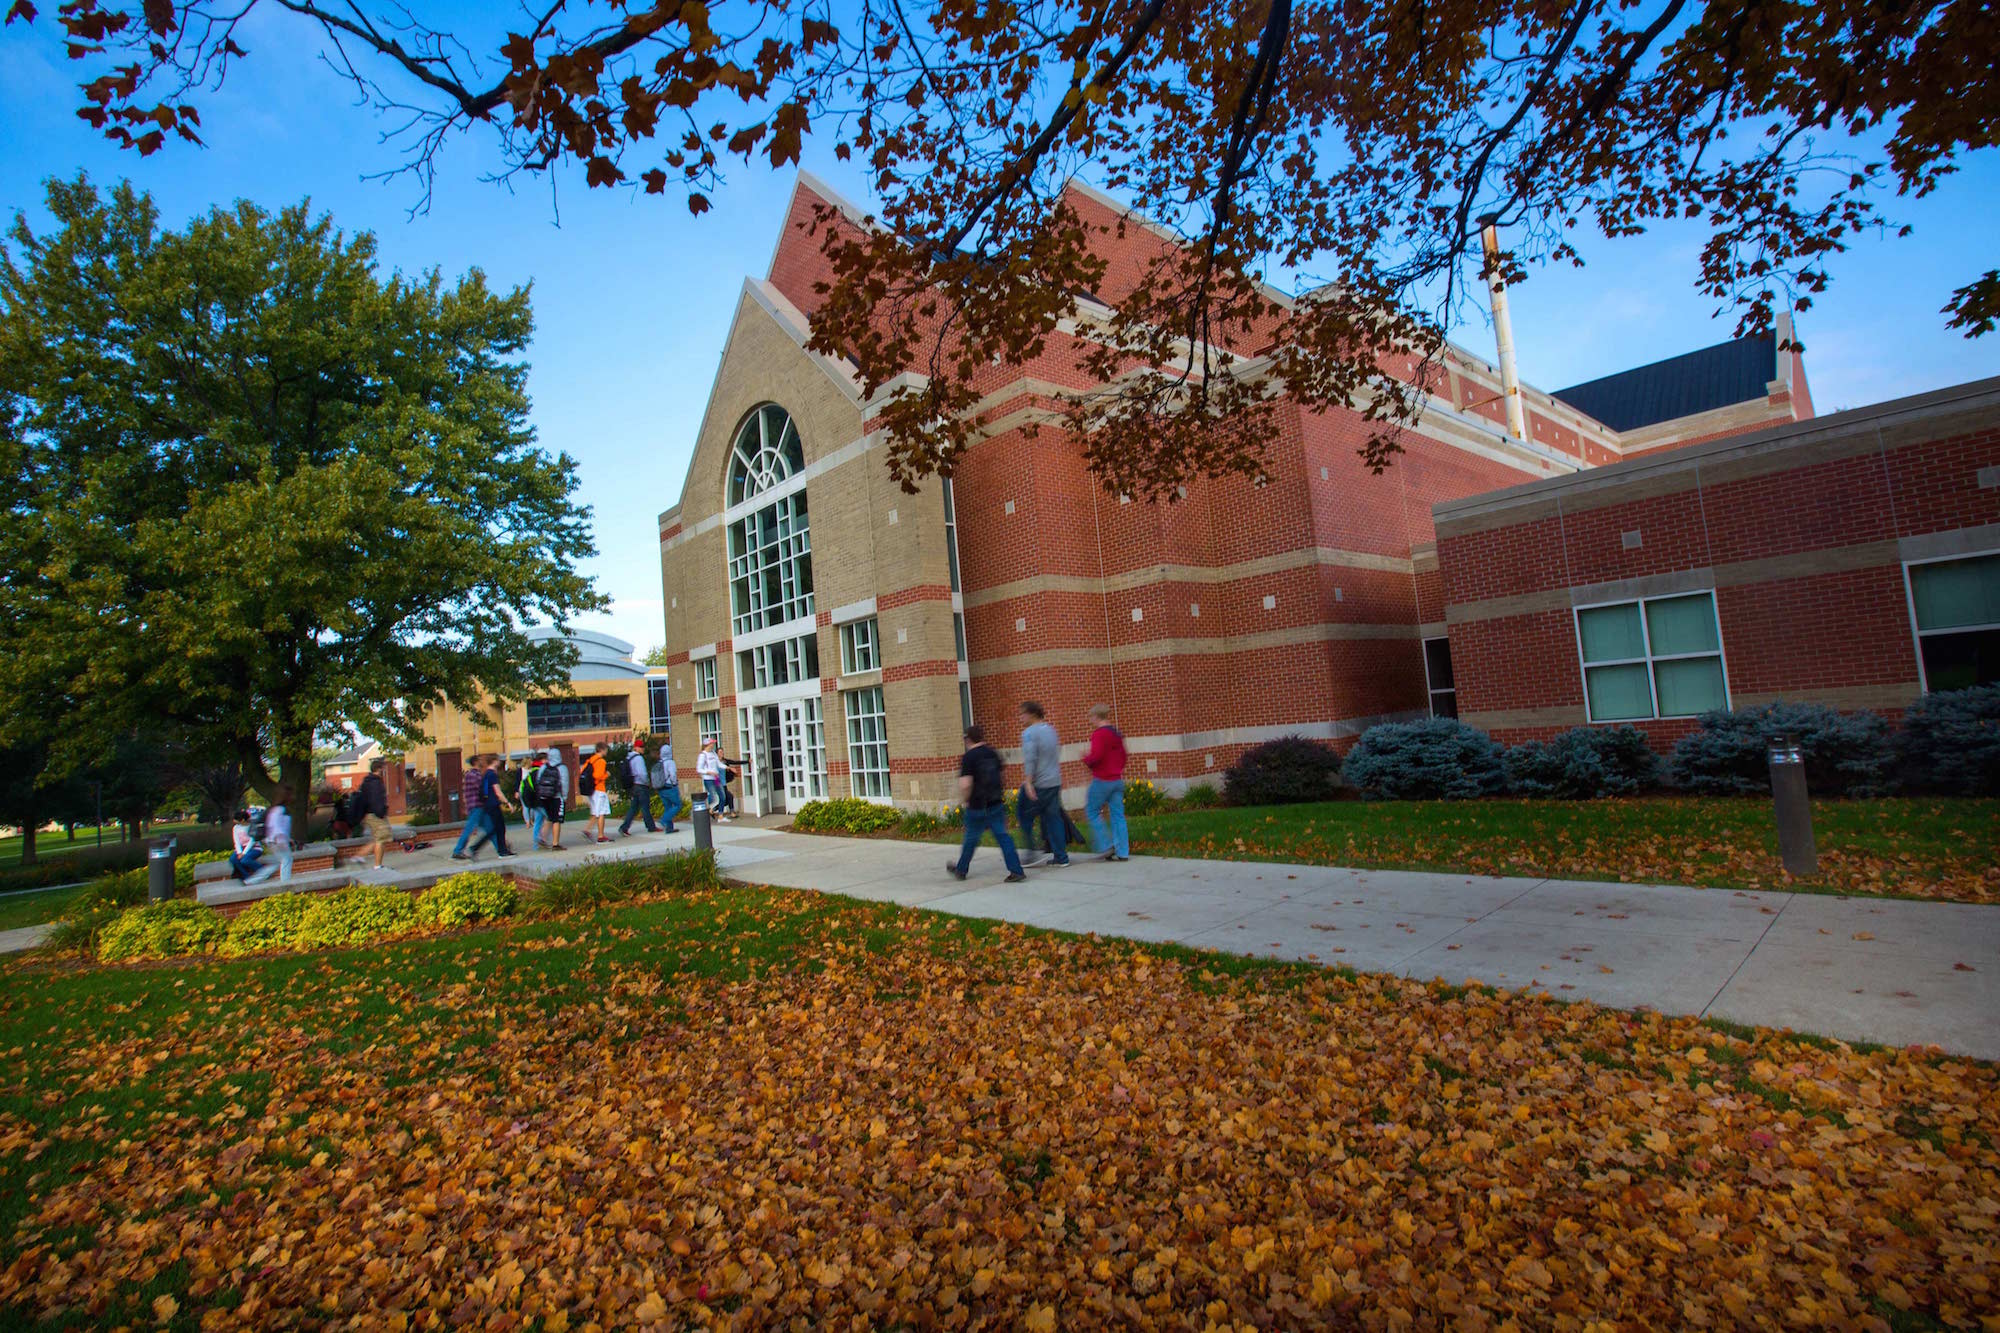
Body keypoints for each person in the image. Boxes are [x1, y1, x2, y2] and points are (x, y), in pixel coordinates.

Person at [946, 726, 1026, 882]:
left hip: (977, 805)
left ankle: (961, 870)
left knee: (971, 838)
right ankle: (1016, 870)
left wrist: (966, 800)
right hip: (995, 803)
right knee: (1003, 837)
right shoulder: (992, 753)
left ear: (968, 739)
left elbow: (966, 784)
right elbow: (1002, 776)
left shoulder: (969, 757)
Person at [1016, 700, 1069, 867]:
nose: (1021, 718)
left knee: (1023, 815)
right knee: (1054, 818)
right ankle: (1061, 857)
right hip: (1054, 781)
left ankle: (1031, 853)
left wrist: (1029, 782)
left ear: (1032, 714)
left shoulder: (1029, 733)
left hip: (1039, 784)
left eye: (1022, 714)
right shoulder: (1051, 730)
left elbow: (1031, 758)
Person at [1082, 703, 1131, 862]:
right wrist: (1116, 768)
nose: (1090, 720)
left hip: (1102, 780)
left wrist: (1085, 758)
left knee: (1092, 810)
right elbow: (1124, 755)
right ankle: (1122, 851)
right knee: (1118, 815)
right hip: (1117, 779)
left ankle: (1106, 845)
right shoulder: (1116, 733)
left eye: (1091, 717)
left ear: (1096, 717)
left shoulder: (1099, 734)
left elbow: (1096, 756)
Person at [464, 755, 517, 859]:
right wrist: (508, 803)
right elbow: (497, 791)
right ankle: (501, 852)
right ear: (494, 761)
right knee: (499, 828)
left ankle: (500, 850)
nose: (499, 762)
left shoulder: (486, 774)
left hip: (488, 804)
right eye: (497, 760)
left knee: (495, 829)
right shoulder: (492, 774)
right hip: (493, 804)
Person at [249, 784, 296, 884]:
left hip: (272, 840)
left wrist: (288, 839)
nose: (293, 797)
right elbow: (276, 826)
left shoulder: (275, 809)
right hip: (277, 840)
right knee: (286, 860)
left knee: (277, 862)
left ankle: (252, 881)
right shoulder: (280, 810)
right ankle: (285, 884)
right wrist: (281, 840)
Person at [449, 757, 489, 859]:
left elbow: (465, 792)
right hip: (477, 805)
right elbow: (483, 789)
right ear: (475, 762)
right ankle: (458, 850)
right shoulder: (475, 775)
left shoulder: (469, 775)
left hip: (475, 805)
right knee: (470, 828)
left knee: (490, 828)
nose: (482, 762)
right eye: (480, 760)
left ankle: (502, 848)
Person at [357, 760, 392, 869]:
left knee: (379, 837)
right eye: (383, 768)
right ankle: (377, 866)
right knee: (381, 839)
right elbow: (376, 800)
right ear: (379, 769)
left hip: (369, 814)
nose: (384, 770)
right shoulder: (375, 783)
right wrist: (381, 812)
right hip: (376, 814)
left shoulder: (366, 781)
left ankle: (359, 855)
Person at [619, 742, 658, 837]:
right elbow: (642, 774)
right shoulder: (639, 758)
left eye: (643, 746)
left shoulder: (629, 758)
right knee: (645, 807)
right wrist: (647, 782)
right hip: (641, 785)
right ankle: (651, 827)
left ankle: (624, 827)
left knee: (634, 808)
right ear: (636, 748)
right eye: (641, 747)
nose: (643, 748)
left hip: (634, 785)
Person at [534, 747, 569, 850]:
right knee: (556, 820)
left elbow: (538, 780)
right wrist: (565, 796)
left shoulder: (544, 767)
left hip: (544, 796)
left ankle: (542, 838)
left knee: (549, 817)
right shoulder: (562, 768)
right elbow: (564, 783)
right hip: (556, 796)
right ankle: (555, 843)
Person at [580, 747, 612, 844]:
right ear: (602, 750)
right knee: (601, 812)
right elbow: (597, 776)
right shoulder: (601, 761)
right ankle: (601, 835)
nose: (606, 751)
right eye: (605, 749)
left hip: (591, 790)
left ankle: (587, 830)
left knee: (595, 812)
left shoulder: (590, 760)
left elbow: (582, 772)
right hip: (599, 789)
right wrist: (606, 774)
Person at [649, 744, 681, 834]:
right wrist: (674, 783)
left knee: (668, 807)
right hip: (670, 787)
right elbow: (673, 774)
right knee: (677, 805)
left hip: (661, 788)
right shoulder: (670, 762)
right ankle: (663, 820)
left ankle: (669, 828)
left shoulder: (660, 762)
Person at [228, 807, 264, 881]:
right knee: (233, 859)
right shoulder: (236, 828)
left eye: (236, 819)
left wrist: (244, 853)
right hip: (241, 848)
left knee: (245, 860)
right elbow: (236, 841)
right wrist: (239, 852)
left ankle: (262, 870)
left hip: (254, 848)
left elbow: (252, 841)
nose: (234, 821)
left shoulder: (252, 827)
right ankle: (245, 876)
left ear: (243, 820)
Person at [697, 738, 727, 816]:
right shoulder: (703, 755)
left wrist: (727, 767)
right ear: (707, 745)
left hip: (716, 778)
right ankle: (701, 806)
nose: (713, 745)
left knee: (722, 796)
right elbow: (699, 769)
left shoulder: (713, 753)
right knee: (713, 797)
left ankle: (720, 815)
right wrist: (708, 772)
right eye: (711, 743)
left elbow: (718, 764)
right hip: (708, 779)